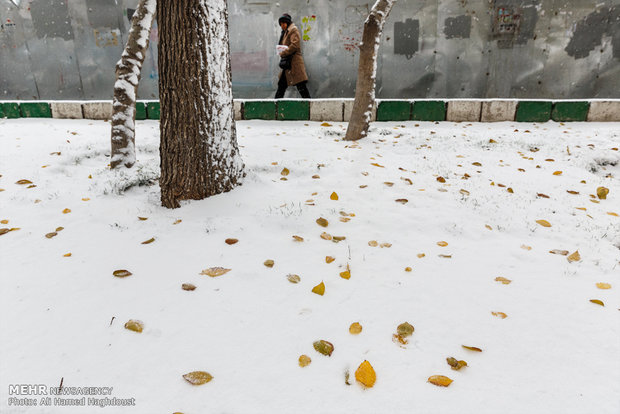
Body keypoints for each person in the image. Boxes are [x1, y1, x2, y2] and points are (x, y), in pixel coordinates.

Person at [275, 13, 311, 99]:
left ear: (287, 22)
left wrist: (283, 52)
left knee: (301, 86)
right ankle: (275, 106)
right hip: (288, 64)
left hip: (294, 63)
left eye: (283, 23)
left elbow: (295, 45)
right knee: (281, 85)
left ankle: (310, 106)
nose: (282, 26)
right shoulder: (285, 32)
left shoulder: (293, 30)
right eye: (281, 24)